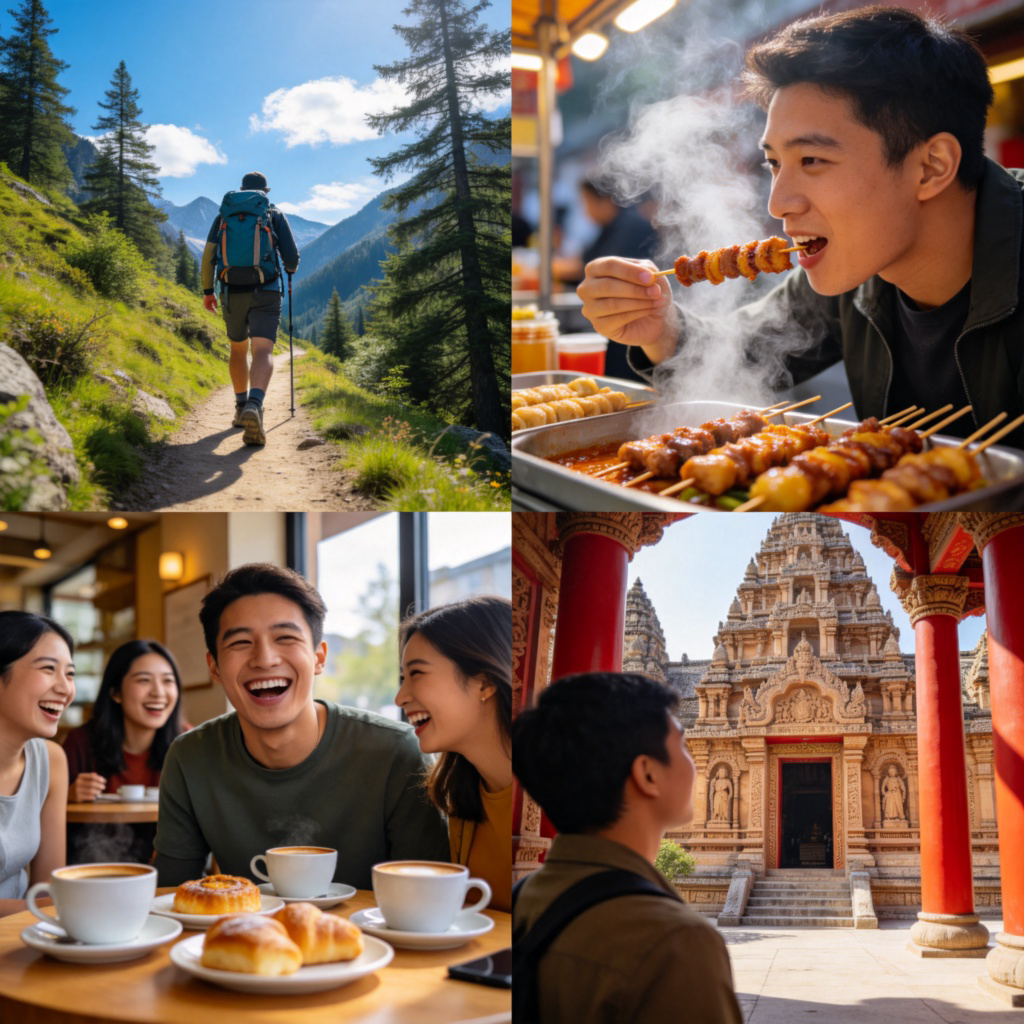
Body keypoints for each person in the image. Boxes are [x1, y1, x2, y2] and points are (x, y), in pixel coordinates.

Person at [576, 7, 1024, 449]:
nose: (778, 203)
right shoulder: (854, 268)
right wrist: (660, 327)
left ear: (930, 167)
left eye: (812, 160)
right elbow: (746, 354)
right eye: (773, 163)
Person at [153, 563, 448, 890]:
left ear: (319, 657)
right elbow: (171, 892)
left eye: (285, 637)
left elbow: (428, 896)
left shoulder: (395, 753)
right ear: (215, 667)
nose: (265, 659)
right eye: (240, 642)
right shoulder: (190, 757)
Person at [512, 672, 742, 1024]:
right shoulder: (677, 942)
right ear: (647, 774)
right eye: (683, 745)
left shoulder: (519, 900)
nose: (694, 761)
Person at [395, 596, 512, 912]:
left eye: (417, 674)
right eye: (403, 678)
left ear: (484, 683)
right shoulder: (459, 795)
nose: (400, 697)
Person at [62, 640, 185, 865]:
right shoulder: (80, 742)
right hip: (92, 867)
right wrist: (67, 795)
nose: (159, 692)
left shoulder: (188, 742)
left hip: (168, 868)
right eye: (144, 680)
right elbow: (43, 815)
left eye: (168, 681)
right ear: (116, 692)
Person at [201, 171, 300, 447]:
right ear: (265, 192)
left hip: (231, 291)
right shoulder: (273, 214)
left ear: (241, 189)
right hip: (266, 290)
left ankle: (240, 407)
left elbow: (208, 257)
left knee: (238, 349)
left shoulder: (223, 216)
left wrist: (208, 291)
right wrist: (289, 269)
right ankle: (255, 405)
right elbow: (291, 258)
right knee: (263, 350)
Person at [0, 612, 74, 913]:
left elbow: (47, 888)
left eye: (70, 673)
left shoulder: (51, 760)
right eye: (48, 669)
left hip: (21, 932)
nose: (65, 689)